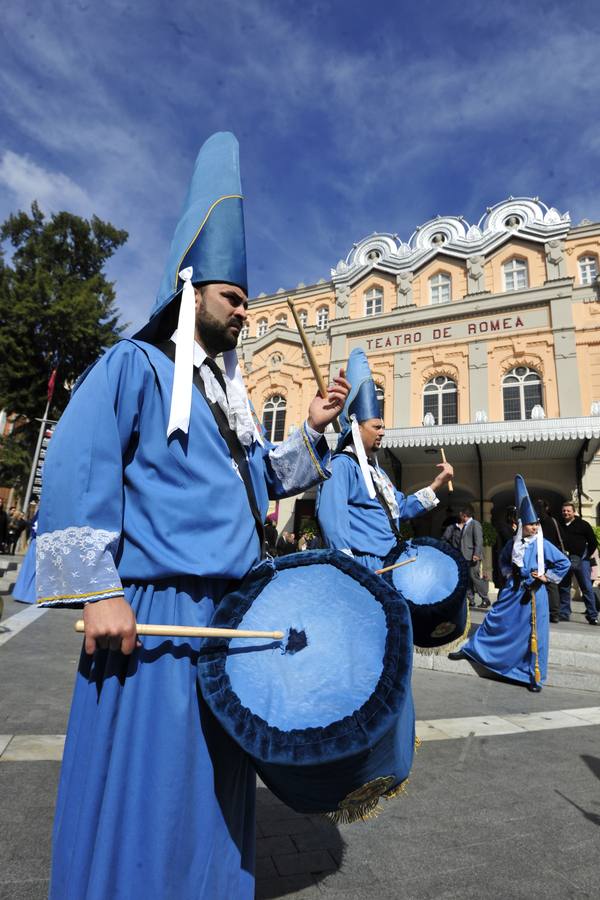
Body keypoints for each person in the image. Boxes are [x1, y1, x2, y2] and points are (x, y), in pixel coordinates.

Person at [35, 133, 349, 900]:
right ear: (190, 289)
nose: (245, 313)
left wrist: (309, 429)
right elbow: (77, 472)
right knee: (151, 796)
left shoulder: (230, 405)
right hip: (154, 619)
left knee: (214, 794)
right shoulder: (131, 367)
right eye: (233, 298)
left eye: (247, 300)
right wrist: (99, 591)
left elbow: (262, 483)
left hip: (229, 623)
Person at [317, 348, 453, 572]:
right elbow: (332, 517)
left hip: (390, 560)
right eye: (377, 427)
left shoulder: (378, 473)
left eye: (383, 427)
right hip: (362, 564)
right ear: (356, 427)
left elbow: (400, 508)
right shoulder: (341, 465)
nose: (382, 432)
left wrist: (437, 483)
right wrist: (347, 566)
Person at [450, 475, 570, 691]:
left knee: (533, 636)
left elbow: (564, 563)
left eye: (536, 524)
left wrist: (546, 576)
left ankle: (532, 676)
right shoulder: (514, 544)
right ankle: (473, 650)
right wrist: (508, 574)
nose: (534, 528)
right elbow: (503, 560)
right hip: (512, 591)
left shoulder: (543, 545)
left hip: (533, 595)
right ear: (522, 525)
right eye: (531, 524)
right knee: (495, 621)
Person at [558, 501, 599, 625]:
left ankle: (592, 615)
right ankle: (564, 613)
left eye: (568, 510)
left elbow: (593, 542)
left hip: (582, 561)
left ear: (573, 512)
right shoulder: (560, 524)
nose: (566, 513)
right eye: (564, 510)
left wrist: (586, 555)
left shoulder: (583, 524)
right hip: (564, 560)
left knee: (586, 587)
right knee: (564, 587)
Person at [445, 505, 490, 609]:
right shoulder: (465, 525)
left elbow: (479, 541)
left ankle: (485, 599)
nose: (459, 516)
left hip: (472, 556)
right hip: (464, 556)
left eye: (461, 514)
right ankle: (471, 600)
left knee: (475, 577)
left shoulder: (475, 524)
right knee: (467, 579)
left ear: (464, 515)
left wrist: (476, 554)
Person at [534, 498, 564, 623]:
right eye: (537, 507)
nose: (538, 509)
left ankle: (554, 613)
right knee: (541, 583)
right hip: (538, 556)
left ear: (546, 508)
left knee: (551, 585)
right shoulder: (536, 522)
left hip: (550, 556)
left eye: (541, 506)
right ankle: (545, 611)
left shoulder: (552, 521)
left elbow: (560, 538)